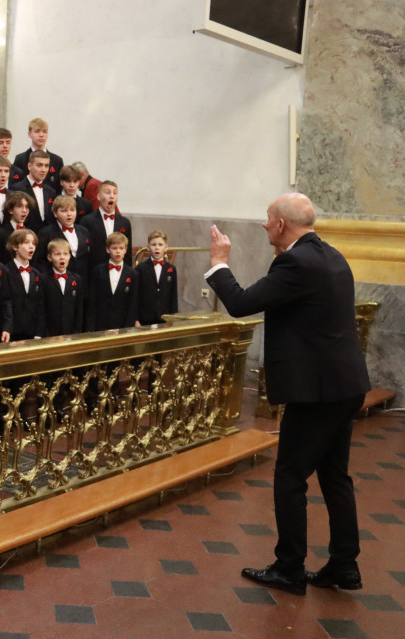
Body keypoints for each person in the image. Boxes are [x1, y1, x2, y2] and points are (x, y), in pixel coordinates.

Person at [206, 193, 371, 595]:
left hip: (318, 393)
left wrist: (218, 263)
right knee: (335, 476)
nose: (264, 225)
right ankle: (345, 566)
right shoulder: (332, 255)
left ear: (281, 225)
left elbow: (242, 303)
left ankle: (290, 568)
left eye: (267, 219)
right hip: (344, 385)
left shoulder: (295, 262)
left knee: (290, 475)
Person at [87, 231, 138, 331]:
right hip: (100, 324)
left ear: (126, 250)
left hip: (122, 324)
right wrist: (91, 326)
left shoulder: (133, 274)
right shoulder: (98, 271)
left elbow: (133, 303)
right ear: (108, 249)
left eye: (121, 248)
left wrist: (128, 327)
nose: (118, 251)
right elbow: (92, 301)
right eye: (114, 248)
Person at [38, 195, 92, 282]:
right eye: (64, 211)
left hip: (82, 282)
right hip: (55, 281)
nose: (69, 214)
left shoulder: (84, 231)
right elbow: (40, 261)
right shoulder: (46, 233)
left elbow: (88, 258)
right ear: (55, 213)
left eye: (72, 210)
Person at [4, 228, 45, 341]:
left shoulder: (37, 274)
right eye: (26, 243)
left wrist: (38, 333)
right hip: (11, 332)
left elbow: (40, 306)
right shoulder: (5, 271)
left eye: (33, 243)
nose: (31, 246)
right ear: (15, 247)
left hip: (31, 332)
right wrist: (6, 329)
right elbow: (5, 303)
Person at [80, 180, 132, 269]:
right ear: (99, 197)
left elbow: (128, 253)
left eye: (115, 193)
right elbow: (83, 252)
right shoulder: (87, 221)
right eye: (108, 193)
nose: (112, 196)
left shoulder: (125, 222)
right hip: (94, 271)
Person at [136, 230, 179, 325]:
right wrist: (135, 319)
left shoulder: (171, 269)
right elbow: (136, 295)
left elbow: (173, 295)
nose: (157, 248)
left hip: (164, 318)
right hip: (145, 318)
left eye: (160, 245)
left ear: (166, 247)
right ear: (148, 247)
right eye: (153, 245)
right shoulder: (140, 268)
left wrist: (172, 317)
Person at [43, 239, 84, 336]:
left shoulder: (77, 279)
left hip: (71, 333)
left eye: (65, 254)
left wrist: (77, 332)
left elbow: (79, 308)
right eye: (57, 254)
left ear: (70, 256)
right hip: (50, 333)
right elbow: (41, 309)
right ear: (49, 257)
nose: (62, 257)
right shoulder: (44, 279)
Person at [9, 149, 57, 229]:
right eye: (39, 165)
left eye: (46, 165)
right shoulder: (16, 189)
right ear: (29, 166)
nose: (43, 170)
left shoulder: (51, 191)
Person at [13, 118, 63, 193]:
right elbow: (16, 186)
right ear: (29, 134)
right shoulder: (21, 159)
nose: (41, 135)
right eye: (37, 131)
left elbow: (59, 188)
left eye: (44, 131)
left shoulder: (57, 161)